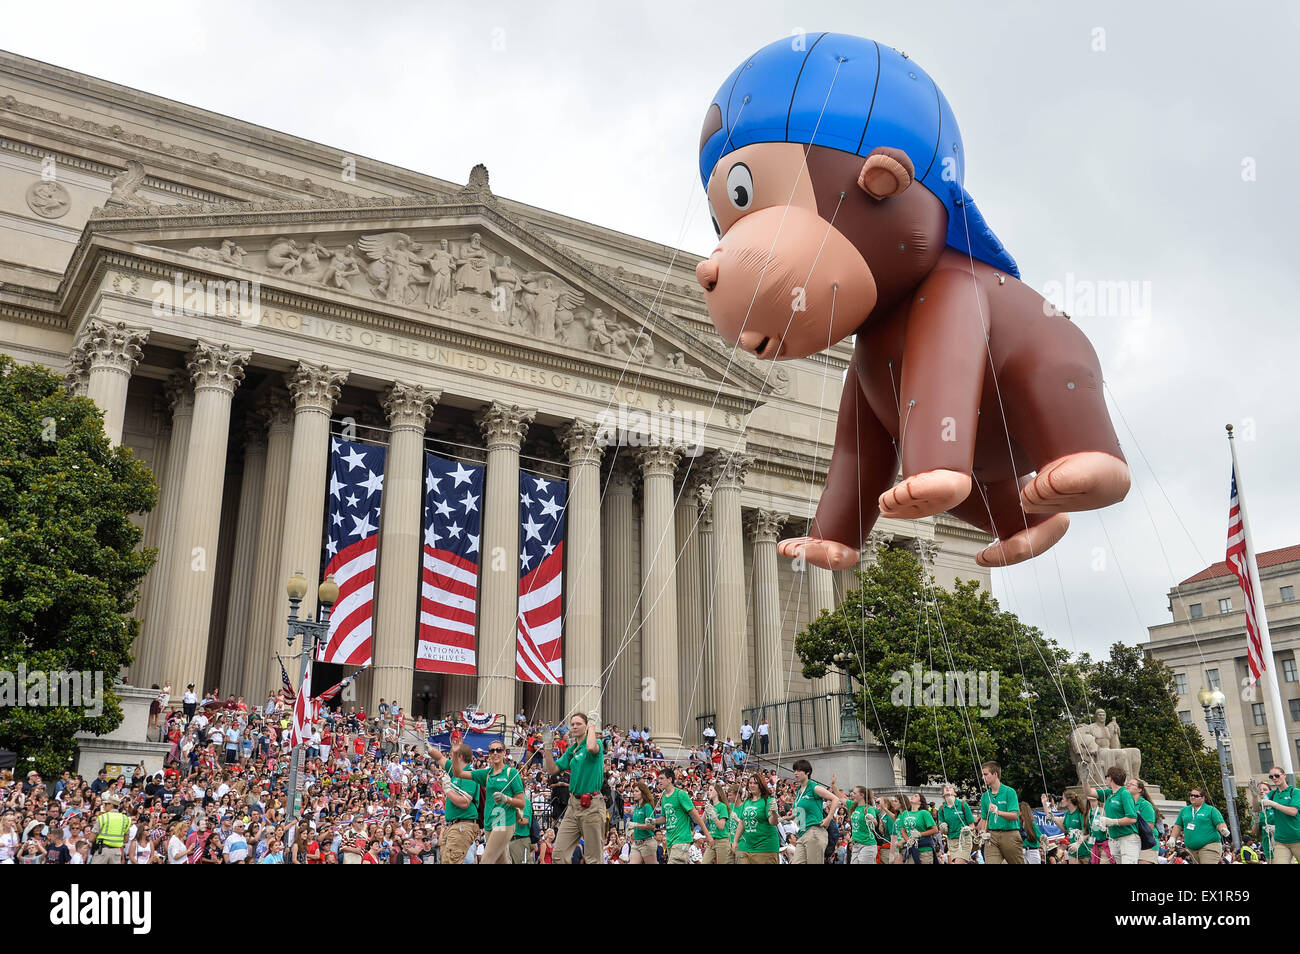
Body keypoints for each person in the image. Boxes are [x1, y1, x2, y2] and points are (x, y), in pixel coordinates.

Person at [543, 710, 605, 865]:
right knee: (558, 854)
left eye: (579, 724)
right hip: (573, 804)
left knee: (593, 859)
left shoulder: (595, 744)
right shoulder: (572, 750)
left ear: (586, 726)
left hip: (591, 804)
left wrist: (592, 726)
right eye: (572, 724)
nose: (575, 727)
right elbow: (552, 770)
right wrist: (548, 746)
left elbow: (591, 747)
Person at [450, 738, 523, 864]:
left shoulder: (511, 773)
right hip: (489, 823)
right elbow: (458, 773)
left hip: (504, 821)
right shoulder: (486, 773)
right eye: (492, 750)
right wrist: (456, 754)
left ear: (504, 753)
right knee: (501, 862)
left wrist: (506, 799)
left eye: (498, 750)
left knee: (486, 861)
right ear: (488, 753)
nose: (495, 752)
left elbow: (522, 802)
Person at [786, 758, 839, 865]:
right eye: (794, 770)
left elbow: (835, 799)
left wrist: (829, 818)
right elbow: (799, 812)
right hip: (802, 833)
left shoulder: (814, 787)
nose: (795, 773)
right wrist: (788, 817)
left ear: (807, 772)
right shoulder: (798, 790)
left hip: (814, 832)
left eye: (798, 770)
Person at [656, 767, 712, 864]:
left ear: (669, 780)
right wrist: (653, 821)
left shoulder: (680, 794)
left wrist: (707, 835)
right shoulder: (664, 797)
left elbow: (696, 816)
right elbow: (665, 818)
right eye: (658, 779)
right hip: (670, 841)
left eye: (661, 778)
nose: (659, 781)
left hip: (681, 839)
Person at [437, 743, 481, 865]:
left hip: (462, 824)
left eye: (452, 755)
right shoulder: (455, 772)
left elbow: (464, 803)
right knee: (447, 860)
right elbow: (439, 758)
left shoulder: (469, 775)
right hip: (454, 825)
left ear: (459, 756)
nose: (450, 758)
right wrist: (429, 747)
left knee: (451, 861)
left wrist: (447, 790)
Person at [977, 761, 1023, 864]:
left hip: (1010, 835)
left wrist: (998, 812)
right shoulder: (985, 796)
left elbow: (1015, 815)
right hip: (992, 836)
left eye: (985, 774)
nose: (983, 778)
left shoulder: (1009, 792)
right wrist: (982, 832)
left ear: (995, 774)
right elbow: (984, 819)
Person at [1170, 787, 1231, 865]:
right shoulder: (1184, 810)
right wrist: (1172, 838)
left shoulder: (1211, 810)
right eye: (1191, 795)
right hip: (1191, 849)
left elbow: (1220, 823)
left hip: (1209, 846)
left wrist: (1223, 829)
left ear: (1203, 798)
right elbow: (1178, 826)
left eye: (1196, 796)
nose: (1192, 797)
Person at [731, 771, 780, 864]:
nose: (752, 785)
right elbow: (742, 822)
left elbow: (773, 822)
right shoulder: (747, 801)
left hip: (765, 847)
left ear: (761, 785)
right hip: (748, 847)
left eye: (755, 783)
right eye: (750, 783)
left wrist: (774, 812)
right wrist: (735, 841)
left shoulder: (767, 800)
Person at [1097, 766, 1139, 864]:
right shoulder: (1110, 793)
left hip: (1127, 838)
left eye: (1106, 776)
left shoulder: (1125, 793)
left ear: (1110, 778)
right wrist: (1084, 780)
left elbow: (1132, 819)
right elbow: (1089, 793)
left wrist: (1113, 821)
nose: (1106, 779)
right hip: (1114, 839)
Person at [1259, 765, 1300, 864]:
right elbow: (1257, 808)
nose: (1274, 778)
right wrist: (1254, 796)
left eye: (1277, 775)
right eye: (1271, 777)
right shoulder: (1272, 794)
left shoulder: (1295, 792)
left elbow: (1293, 812)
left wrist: (1274, 804)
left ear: (1284, 775)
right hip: (1281, 841)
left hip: (1297, 838)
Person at [895, 792, 939, 864]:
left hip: (925, 850)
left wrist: (919, 834)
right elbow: (902, 830)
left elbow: (935, 830)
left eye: (915, 796)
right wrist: (908, 840)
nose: (912, 796)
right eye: (912, 795)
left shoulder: (924, 813)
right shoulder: (905, 813)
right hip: (911, 849)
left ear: (920, 802)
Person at [936, 783, 975, 863]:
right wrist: (942, 828)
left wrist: (967, 828)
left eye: (950, 787)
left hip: (964, 839)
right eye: (945, 788)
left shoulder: (963, 804)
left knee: (959, 862)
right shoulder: (942, 808)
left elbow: (972, 826)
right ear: (943, 794)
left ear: (955, 793)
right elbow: (942, 830)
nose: (947, 788)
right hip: (952, 841)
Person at [90, 794, 130, 864]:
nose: (104, 806)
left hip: (102, 852)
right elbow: (126, 839)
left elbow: (91, 838)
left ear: (111, 805)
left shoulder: (103, 817)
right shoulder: (125, 819)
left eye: (106, 804)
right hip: (116, 852)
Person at [1126, 777, 1158, 864]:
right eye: (1127, 784)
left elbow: (1149, 827)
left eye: (1131, 784)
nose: (1128, 786)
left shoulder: (1145, 805)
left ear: (1139, 789)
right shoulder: (1126, 804)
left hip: (1146, 843)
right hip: (1131, 842)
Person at [627, 781, 658, 864]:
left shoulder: (647, 806)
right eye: (633, 791)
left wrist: (636, 825)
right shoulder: (637, 807)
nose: (634, 793)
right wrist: (631, 830)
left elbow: (652, 826)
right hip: (636, 842)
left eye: (637, 791)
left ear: (643, 793)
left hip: (646, 843)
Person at [701, 783, 731, 864]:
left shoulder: (722, 806)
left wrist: (714, 816)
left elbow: (721, 826)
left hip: (722, 841)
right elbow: (701, 823)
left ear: (717, 792)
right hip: (711, 841)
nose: (708, 792)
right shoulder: (710, 806)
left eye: (711, 790)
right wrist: (705, 810)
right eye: (708, 790)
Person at [1060, 791, 1089, 864]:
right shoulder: (1067, 814)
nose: (1061, 801)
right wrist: (1053, 820)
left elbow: (1087, 832)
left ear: (1069, 800)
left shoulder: (1080, 813)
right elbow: (1066, 830)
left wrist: (1078, 843)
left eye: (1063, 799)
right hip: (1073, 850)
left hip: (1084, 850)